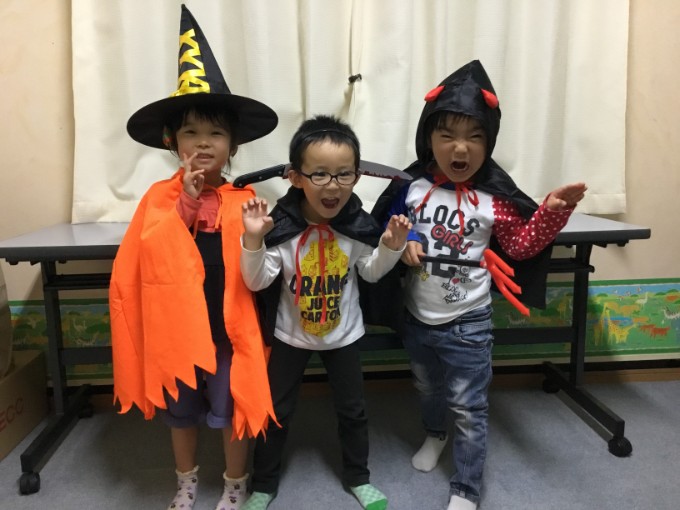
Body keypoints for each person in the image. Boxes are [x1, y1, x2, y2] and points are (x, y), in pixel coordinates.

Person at [370, 60, 587, 510]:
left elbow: (522, 247)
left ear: (489, 142)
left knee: (469, 408)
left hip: (468, 322)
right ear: (428, 137)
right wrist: (406, 240)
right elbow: (388, 226)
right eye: (447, 134)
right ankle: (435, 434)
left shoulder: (495, 199)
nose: (460, 147)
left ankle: (466, 487)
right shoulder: (411, 187)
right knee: (428, 389)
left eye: (474, 136)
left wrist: (551, 212)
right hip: (417, 317)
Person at [109, 6, 278, 510]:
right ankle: (185, 480)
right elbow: (149, 255)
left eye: (216, 133)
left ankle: (234, 482)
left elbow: (257, 271)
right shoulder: (159, 199)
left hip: (227, 331)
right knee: (180, 412)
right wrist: (184, 201)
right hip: (176, 335)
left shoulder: (242, 199)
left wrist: (255, 236)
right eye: (190, 133)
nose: (203, 142)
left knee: (231, 407)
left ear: (233, 145)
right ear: (172, 142)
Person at [239, 114, 412, 510]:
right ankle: (263, 484)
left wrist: (391, 247)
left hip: (343, 336)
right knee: (276, 411)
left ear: (357, 176)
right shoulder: (281, 228)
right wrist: (253, 240)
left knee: (353, 411)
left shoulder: (357, 226)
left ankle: (359, 478)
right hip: (290, 335)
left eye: (343, 174)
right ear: (295, 178)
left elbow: (371, 273)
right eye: (319, 174)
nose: (333, 185)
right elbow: (257, 281)